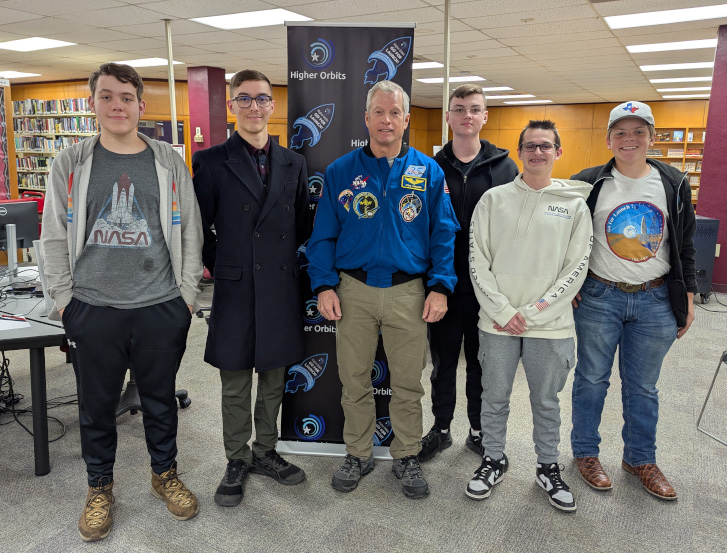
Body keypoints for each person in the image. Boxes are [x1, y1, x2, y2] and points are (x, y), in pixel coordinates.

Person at [41, 63, 203, 542]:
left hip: (160, 306)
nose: (117, 105)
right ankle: (99, 488)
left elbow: (190, 230)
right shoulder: (70, 162)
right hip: (93, 309)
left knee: (159, 402)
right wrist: (65, 301)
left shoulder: (167, 161)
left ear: (140, 105)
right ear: (93, 103)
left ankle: (165, 475)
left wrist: (186, 297)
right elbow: (54, 235)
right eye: (107, 96)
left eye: (126, 97)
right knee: (96, 407)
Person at [308, 80, 459, 499]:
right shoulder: (341, 171)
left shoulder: (428, 171)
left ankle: (406, 454)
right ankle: (358, 453)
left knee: (408, 382)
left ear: (406, 119)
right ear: (366, 118)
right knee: (354, 380)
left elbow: (443, 233)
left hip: (408, 292)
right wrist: (324, 285)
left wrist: (441, 287)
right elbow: (322, 236)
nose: (386, 120)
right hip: (352, 290)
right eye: (379, 112)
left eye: (394, 113)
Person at [192, 69, 309, 508]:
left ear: (272, 106)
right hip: (236, 286)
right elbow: (199, 229)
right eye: (244, 98)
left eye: (261, 98)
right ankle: (237, 459)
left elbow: (303, 225)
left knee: (274, 376)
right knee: (236, 379)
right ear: (231, 106)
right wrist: (224, 266)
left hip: (280, 285)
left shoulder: (294, 162)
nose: (254, 106)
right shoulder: (210, 161)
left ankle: (265, 451)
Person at [570, 101, 696, 501]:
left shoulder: (673, 182)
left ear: (652, 137)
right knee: (591, 379)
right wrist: (569, 282)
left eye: (638, 132)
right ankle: (585, 453)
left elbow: (686, 244)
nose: (630, 139)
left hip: (655, 299)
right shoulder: (587, 182)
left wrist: (688, 297)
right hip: (598, 296)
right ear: (608, 139)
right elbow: (567, 239)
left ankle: (640, 459)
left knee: (643, 387)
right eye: (620, 132)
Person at [466, 120, 593, 512]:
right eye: (531, 146)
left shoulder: (575, 205)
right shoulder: (493, 200)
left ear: (558, 152)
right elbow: (477, 260)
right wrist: (504, 311)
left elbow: (577, 268)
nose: (538, 152)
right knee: (494, 396)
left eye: (546, 146)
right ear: (519, 152)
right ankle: (493, 459)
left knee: (546, 401)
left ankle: (547, 466)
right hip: (497, 322)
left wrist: (534, 311)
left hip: (551, 326)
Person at [420, 84, 518, 462]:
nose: (467, 115)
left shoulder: (505, 168)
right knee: (443, 363)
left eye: (474, 109)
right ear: (448, 116)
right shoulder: (429, 168)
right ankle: (441, 429)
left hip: (486, 289)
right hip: (441, 286)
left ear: (484, 117)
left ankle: (478, 431)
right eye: (459, 109)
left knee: (481, 365)